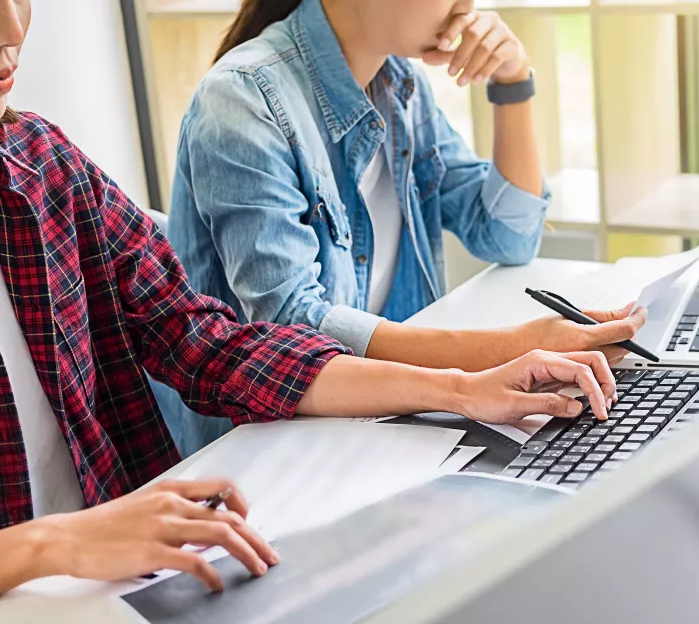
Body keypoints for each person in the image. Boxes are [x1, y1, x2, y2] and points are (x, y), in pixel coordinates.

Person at [0, 0, 620, 624]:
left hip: (138, 599)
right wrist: (55, 544)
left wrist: (465, 388)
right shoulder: (247, 96)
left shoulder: (42, 166)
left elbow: (207, 341)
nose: (12, 27)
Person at [159, 0, 647, 454]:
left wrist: (512, 81)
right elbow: (293, 331)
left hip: (385, 423)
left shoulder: (398, 84)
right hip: (268, 454)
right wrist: (509, 347)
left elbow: (507, 235)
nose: (466, 6)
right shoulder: (243, 100)